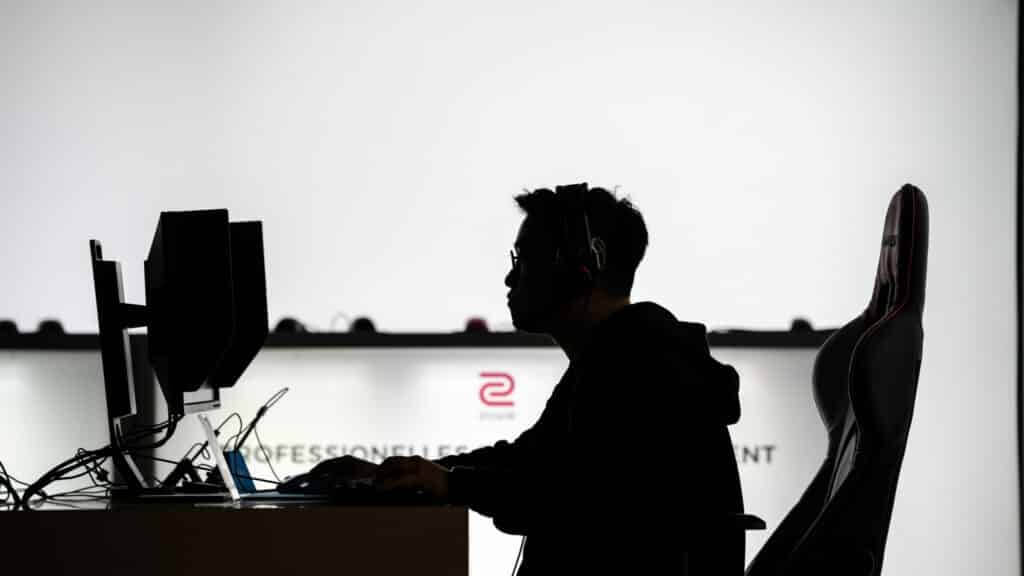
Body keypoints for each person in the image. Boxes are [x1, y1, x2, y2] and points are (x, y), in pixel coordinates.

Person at [343, 183, 744, 574]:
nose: (510, 279)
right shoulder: (617, 357)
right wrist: (418, 471)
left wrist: (454, 485)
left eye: (525, 260)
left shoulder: (642, 367)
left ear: (583, 264)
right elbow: (527, 460)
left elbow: (579, 497)